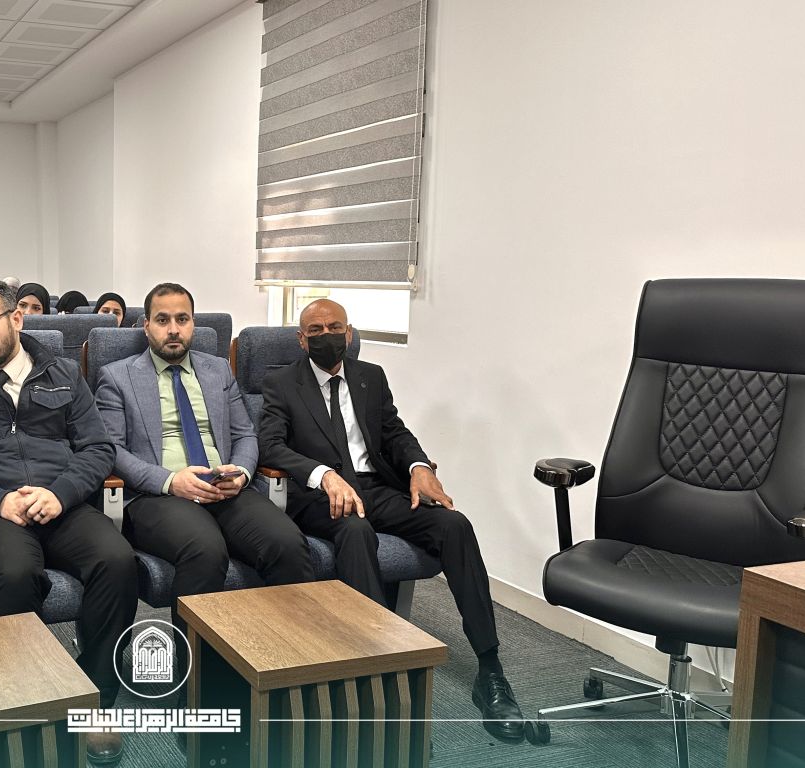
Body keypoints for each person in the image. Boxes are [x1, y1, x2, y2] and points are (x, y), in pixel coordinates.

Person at [258, 298, 524, 742]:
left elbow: (395, 432)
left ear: (349, 333)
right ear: (302, 340)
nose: (327, 336)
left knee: (454, 525)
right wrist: (323, 476)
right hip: (320, 495)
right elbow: (270, 446)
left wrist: (418, 466)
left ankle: (490, 668)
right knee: (355, 530)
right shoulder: (282, 383)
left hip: (377, 487)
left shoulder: (371, 376)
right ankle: (376, 674)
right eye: (315, 330)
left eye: (335, 327)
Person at [0, 276, 135, 766]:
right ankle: (21, 704)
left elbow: (97, 448)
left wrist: (59, 494)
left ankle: (94, 697)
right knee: (16, 574)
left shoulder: (63, 373)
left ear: (16, 318)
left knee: (117, 561)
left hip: (62, 503)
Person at [95, 282, 312, 693]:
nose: (173, 329)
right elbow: (111, 451)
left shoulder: (217, 371)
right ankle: (198, 687)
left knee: (287, 543)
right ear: (145, 326)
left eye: (182, 319)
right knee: (205, 550)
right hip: (159, 495)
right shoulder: (117, 376)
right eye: (163, 320)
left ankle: (285, 676)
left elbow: (245, 434)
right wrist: (170, 480)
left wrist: (242, 473)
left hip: (224, 487)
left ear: (193, 323)